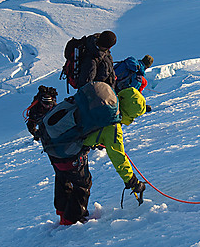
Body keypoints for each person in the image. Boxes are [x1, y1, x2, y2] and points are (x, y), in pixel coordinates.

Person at [28, 86, 147, 225]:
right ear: (130, 112)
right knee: (83, 183)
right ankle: (71, 221)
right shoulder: (112, 125)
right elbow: (118, 157)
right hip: (65, 151)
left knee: (63, 176)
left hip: (51, 140)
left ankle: (62, 212)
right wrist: (132, 182)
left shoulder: (101, 101)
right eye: (134, 116)